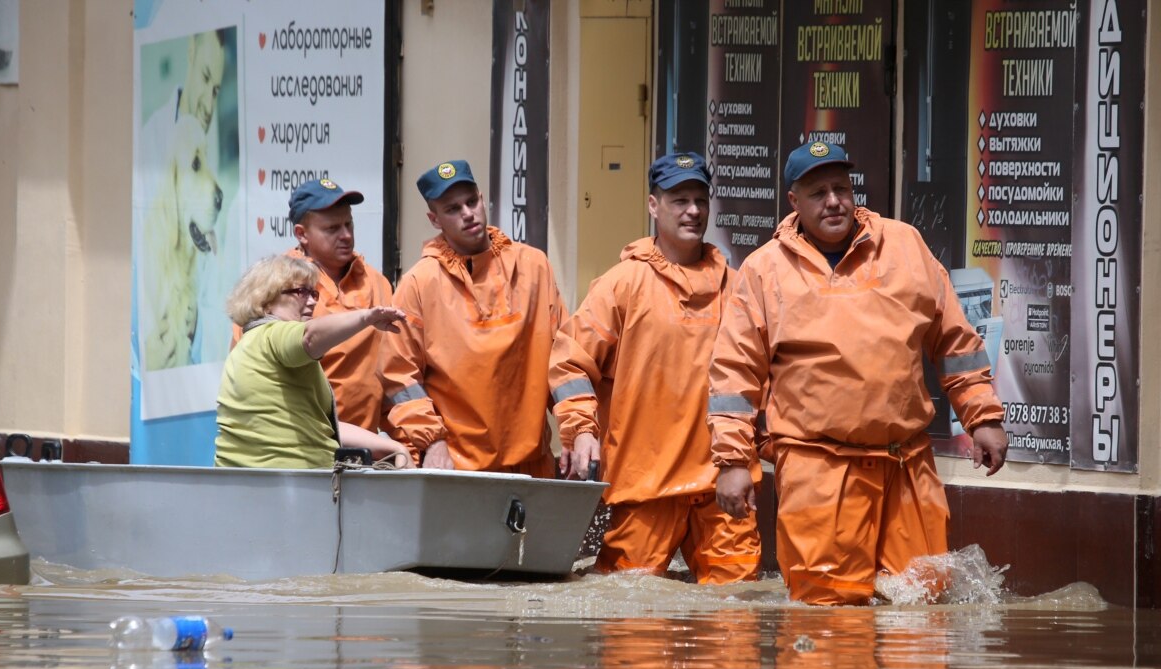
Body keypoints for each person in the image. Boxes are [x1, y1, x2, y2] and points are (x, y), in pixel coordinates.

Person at [708, 141, 1009, 605]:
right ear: (794, 202)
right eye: (818, 192)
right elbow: (734, 373)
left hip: (906, 465)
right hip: (819, 470)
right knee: (827, 624)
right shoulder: (764, 271)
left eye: (841, 188)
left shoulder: (904, 245)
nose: (833, 201)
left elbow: (954, 339)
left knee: (924, 610)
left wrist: (983, 417)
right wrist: (730, 462)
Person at [548, 153, 761, 584]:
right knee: (632, 631)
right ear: (652, 205)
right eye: (679, 200)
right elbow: (570, 360)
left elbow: (763, 379)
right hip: (643, 488)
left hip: (721, 485)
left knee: (735, 625)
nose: (693, 211)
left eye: (700, 200)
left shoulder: (737, 288)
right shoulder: (623, 284)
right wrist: (580, 430)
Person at [379, 160, 567, 475]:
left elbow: (564, 357)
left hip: (532, 462)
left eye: (471, 201)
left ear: (482, 198)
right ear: (434, 219)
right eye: (452, 209)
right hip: (458, 466)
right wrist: (432, 441)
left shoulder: (533, 267)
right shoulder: (419, 284)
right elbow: (400, 377)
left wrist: (577, 429)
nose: (467, 213)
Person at [215, 255, 409, 469]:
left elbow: (325, 427)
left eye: (313, 292)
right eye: (301, 292)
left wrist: (394, 447)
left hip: (254, 485)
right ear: (267, 300)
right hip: (288, 489)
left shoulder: (247, 345)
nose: (312, 300)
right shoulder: (273, 336)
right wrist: (366, 318)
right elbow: (310, 337)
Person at [232, 178, 394, 432]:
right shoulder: (274, 287)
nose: (346, 235)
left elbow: (397, 368)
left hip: (366, 453)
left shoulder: (376, 282)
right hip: (300, 445)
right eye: (332, 229)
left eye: (349, 224)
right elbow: (252, 372)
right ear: (302, 234)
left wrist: (403, 444)